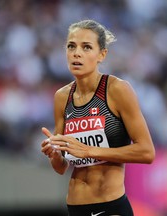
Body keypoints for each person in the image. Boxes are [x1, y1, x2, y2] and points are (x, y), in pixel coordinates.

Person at [41, 19, 155, 216]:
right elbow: (61, 168)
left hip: (110, 205)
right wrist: (54, 154)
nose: (76, 53)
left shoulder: (117, 90)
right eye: (71, 46)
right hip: (76, 207)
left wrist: (90, 151)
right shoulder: (62, 97)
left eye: (86, 47)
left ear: (102, 54)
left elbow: (146, 152)